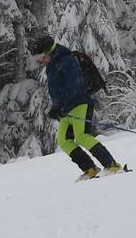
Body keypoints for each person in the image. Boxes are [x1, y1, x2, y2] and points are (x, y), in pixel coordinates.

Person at [30, 32, 124, 179]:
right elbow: (56, 90)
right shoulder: (51, 65)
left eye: (41, 56)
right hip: (65, 109)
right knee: (63, 140)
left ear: (48, 51)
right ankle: (90, 169)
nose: (40, 60)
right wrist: (56, 107)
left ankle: (112, 165)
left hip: (80, 104)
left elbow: (74, 85)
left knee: (81, 136)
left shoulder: (67, 60)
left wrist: (60, 106)